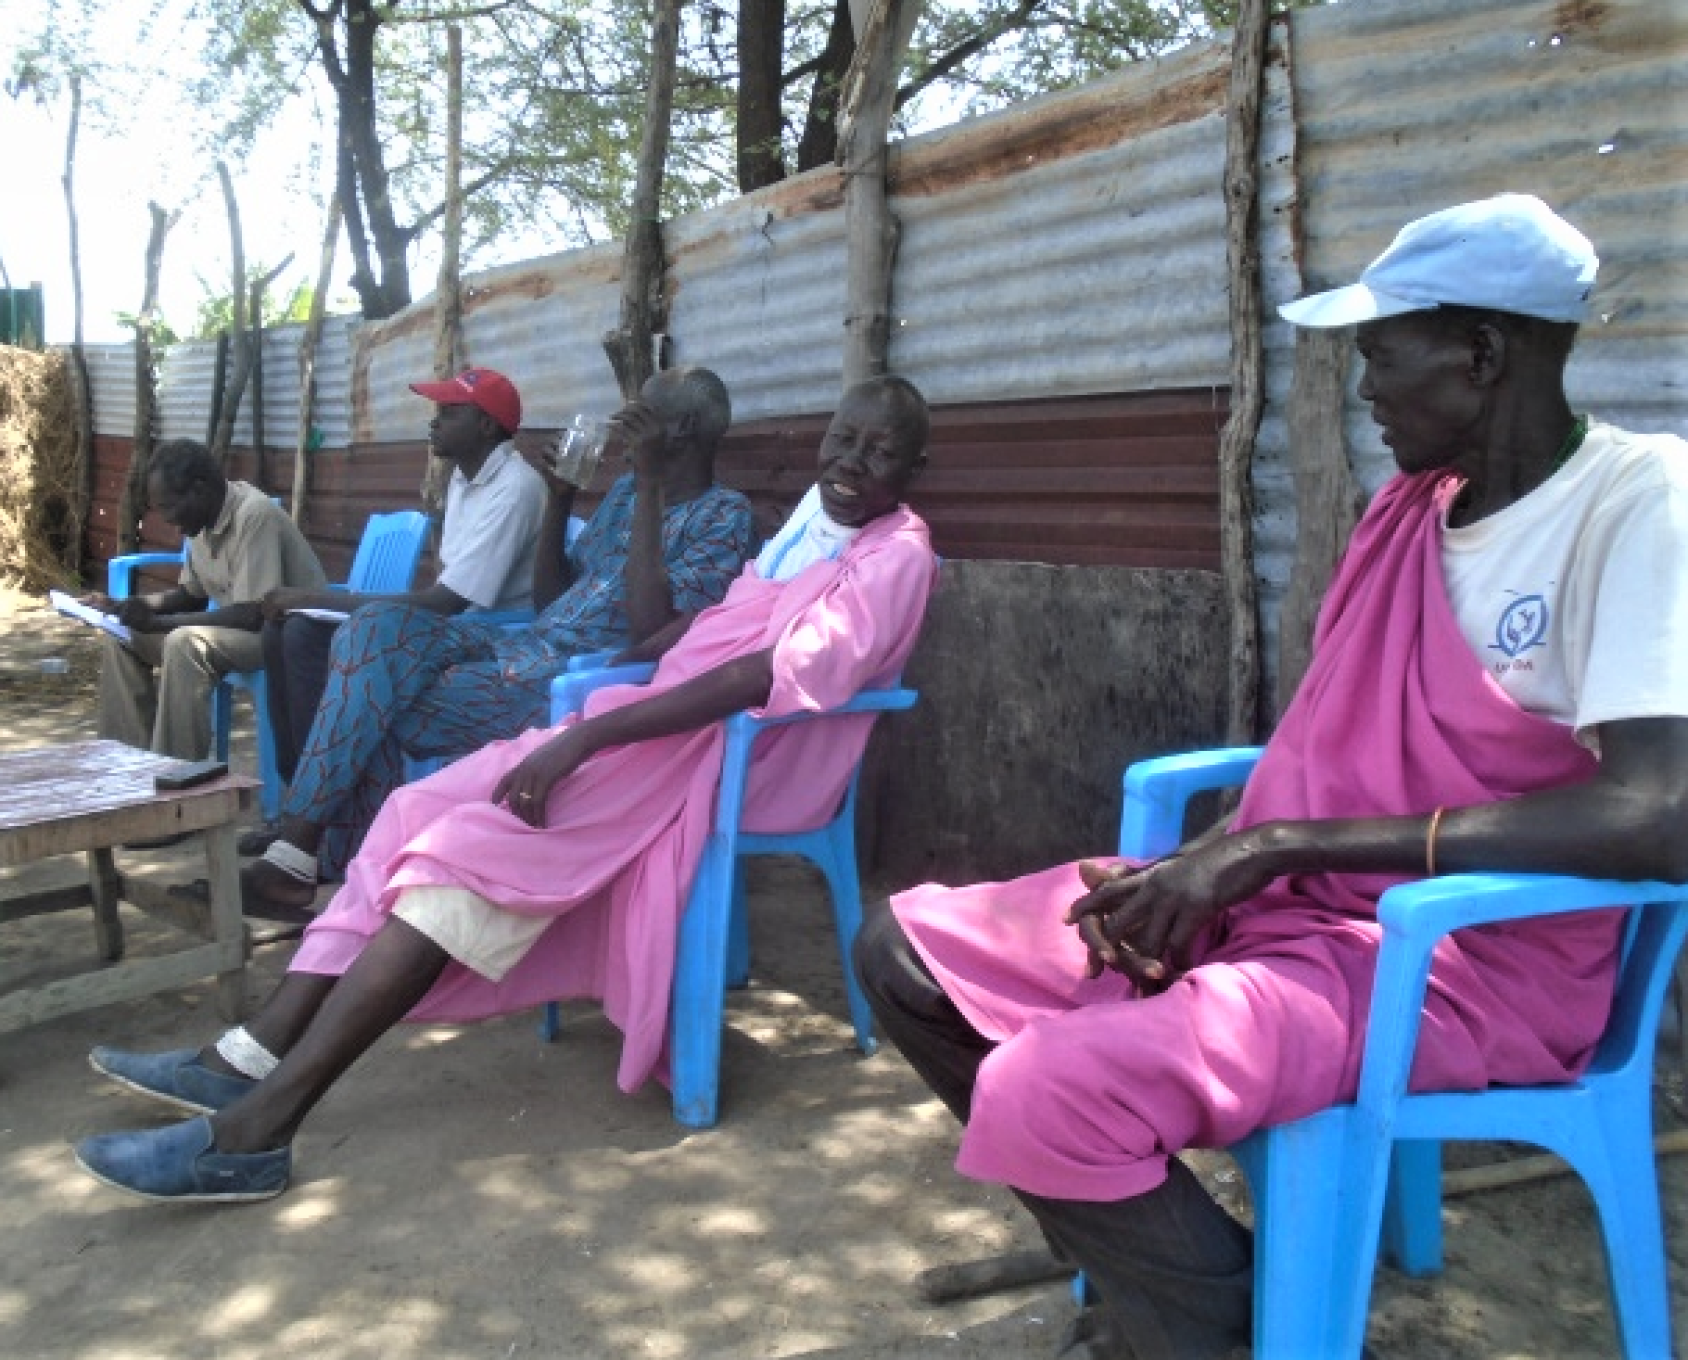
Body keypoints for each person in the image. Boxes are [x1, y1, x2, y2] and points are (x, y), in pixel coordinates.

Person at [853, 194, 1688, 1360]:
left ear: (1481, 354)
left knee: (1048, 1086)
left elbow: (1654, 819)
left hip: (1460, 961)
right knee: (907, 953)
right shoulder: (1409, 514)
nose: (1363, 391)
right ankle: (1215, 1297)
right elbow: (1322, 751)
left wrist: (1273, 849)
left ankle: (1207, 1326)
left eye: (1379, 357)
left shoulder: (1636, 501)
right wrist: (1214, 860)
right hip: (1293, 904)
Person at [74, 374, 938, 1204]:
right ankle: (250, 1052)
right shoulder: (803, 531)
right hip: (643, 720)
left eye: (880, 451)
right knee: (416, 808)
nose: (853, 460)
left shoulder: (894, 557)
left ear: (913, 471)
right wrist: (611, 689)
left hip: (712, 758)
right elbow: (691, 635)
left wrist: (591, 731)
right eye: (843, 438)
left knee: (462, 856)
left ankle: (254, 1133)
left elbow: (761, 672)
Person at [240, 365, 757, 916]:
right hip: (527, 643)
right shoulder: (626, 494)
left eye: (644, 412)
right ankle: (323, 862)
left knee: (378, 699)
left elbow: (652, 631)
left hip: (582, 675)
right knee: (372, 628)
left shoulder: (724, 516)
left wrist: (651, 485)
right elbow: (550, 600)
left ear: (679, 431)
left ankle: (318, 863)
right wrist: (560, 502)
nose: (626, 422)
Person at [251, 367, 548, 813]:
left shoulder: (516, 487)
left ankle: (323, 808)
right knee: (281, 633)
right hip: (459, 624)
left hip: (494, 636)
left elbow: (448, 601)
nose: (435, 422)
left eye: (450, 413)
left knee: (304, 633)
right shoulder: (465, 479)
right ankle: (300, 792)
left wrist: (313, 598)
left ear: (486, 425)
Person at [82, 438, 327, 766]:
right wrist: (124, 607)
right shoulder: (199, 524)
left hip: (286, 637)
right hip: (246, 631)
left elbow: (253, 614)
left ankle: (173, 776)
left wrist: (160, 624)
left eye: (168, 506)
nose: (166, 519)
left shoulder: (255, 515)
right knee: (122, 638)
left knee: (186, 644)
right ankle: (124, 765)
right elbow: (190, 595)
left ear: (198, 490)